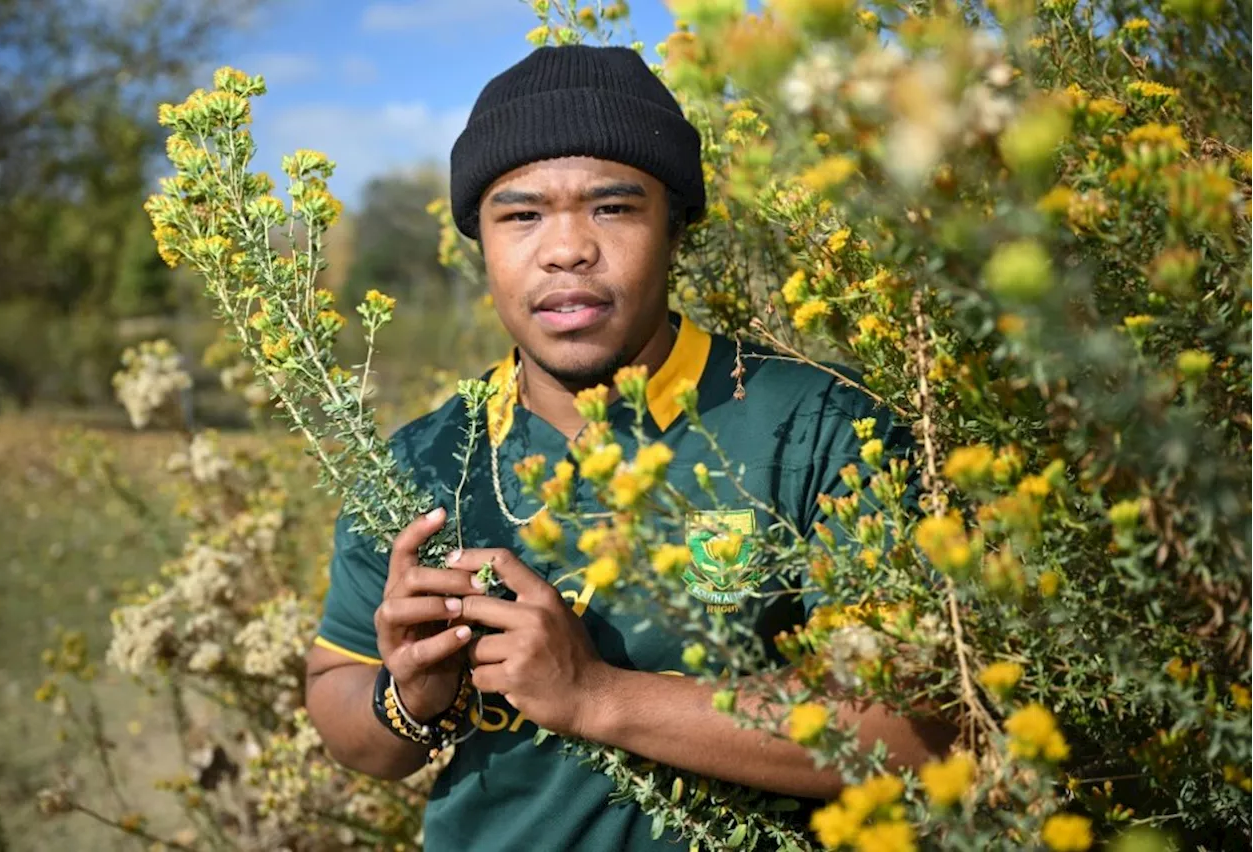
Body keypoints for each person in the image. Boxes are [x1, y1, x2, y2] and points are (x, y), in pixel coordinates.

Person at [304, 44, 951, 851]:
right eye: (521, 214)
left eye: (613, 208)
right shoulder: (420, 464)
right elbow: (339, 697)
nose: (567, 248)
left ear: (676, 228)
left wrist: (598, 696)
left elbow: (916, 733)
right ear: (480, 242)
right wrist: (409, 697)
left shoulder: (817, 424)